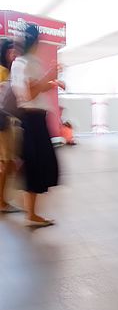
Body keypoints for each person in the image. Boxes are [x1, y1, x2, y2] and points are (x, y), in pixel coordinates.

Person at [11, 23, 63, 227]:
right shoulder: (28, 62)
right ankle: (31, 214)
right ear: (36, 40)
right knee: (38, 166)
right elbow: (31, 92)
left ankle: (31, 213)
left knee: (36, 165)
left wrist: (51, 82)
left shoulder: (19, 62)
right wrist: (49, 77)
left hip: (30, 119)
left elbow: (32, 89)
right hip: (34, 120)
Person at [0, 38, 21, 213]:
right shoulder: (3, 72)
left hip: (5, 120)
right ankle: (1, 202)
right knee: (6, 162)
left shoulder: (8, 71)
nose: (14, 54)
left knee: (7, 162)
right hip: (2, 121)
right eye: (11, 50)